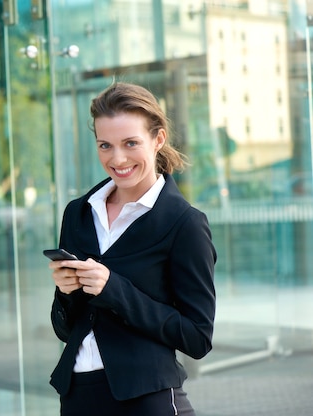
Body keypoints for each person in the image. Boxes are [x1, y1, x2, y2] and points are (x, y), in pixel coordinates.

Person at [48, 82, 216, 416]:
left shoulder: (185, 224)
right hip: (77, 396)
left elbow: (197, 337)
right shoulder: (78, 213)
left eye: (130, 143)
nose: (117, 158)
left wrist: (113, 288)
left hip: (147, 399)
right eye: (105, 145)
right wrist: (66, 293)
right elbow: (65, 329)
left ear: (158, 140)